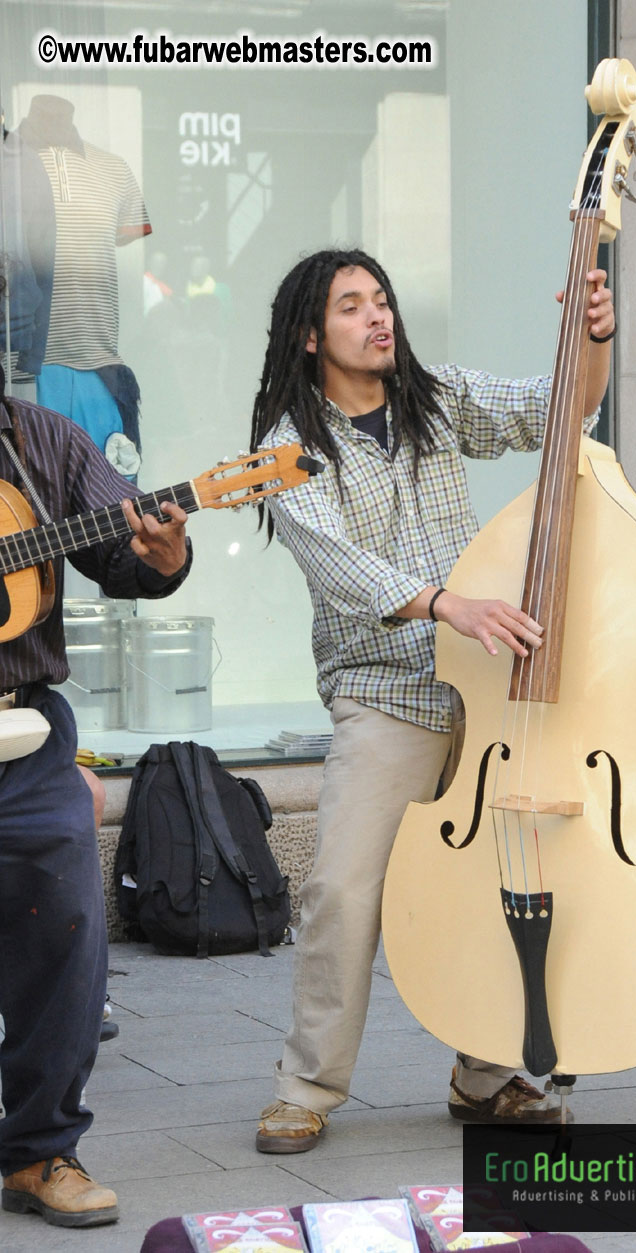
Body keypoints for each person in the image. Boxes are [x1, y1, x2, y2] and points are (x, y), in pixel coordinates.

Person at [249, 247, 615, 1153]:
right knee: (342, 887)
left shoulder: (436, 397)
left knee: (496, 886)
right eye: (350, 307)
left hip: (484, 696)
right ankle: (306, 1085)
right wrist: (447, 601)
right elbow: (341, 568)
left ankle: (485, 1075)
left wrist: (594, 336)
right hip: (385, 695)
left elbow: (558, 407)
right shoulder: (285, 451)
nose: (378, 317)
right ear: (310, 335)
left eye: (382, 300)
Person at [0, 265, 192, 1230]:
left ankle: (39, 1150)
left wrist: (163, 553)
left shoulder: (41, 442)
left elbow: (120, 542)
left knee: (66, 930)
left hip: (24, 729)